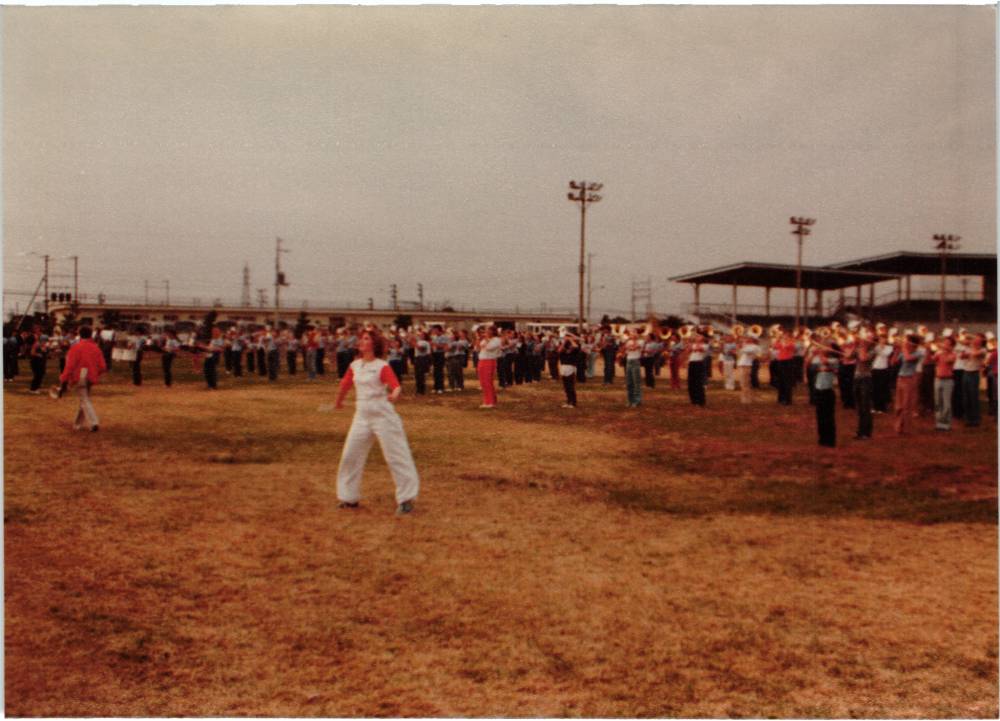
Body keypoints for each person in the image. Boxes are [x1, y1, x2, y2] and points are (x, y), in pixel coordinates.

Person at [334, 329, 419, 516]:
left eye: (366, 339)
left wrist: (394, 394)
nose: (361, 341)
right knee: (350, 456)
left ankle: (406, 500)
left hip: (383, 415)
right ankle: (348, 498)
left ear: (374, 344)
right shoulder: (355, 365)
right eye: (361, 338)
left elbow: (396, 386)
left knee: (396, 456)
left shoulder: (382, 366)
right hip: (361, 417)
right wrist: (338, 401)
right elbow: (345, 384)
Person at [55, 326, 107, 432]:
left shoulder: (75, 348)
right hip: (90, 376)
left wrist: (64, 379)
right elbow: (102, 366)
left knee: (84, 399)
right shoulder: (96, 348)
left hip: (80, 376)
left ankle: (94, 422)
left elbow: (69, 366)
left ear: (80, 334)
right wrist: (95, 373)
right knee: (84, 399)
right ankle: (77, 424)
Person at [893, 334, 924, 436]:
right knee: (899, 405)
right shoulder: (904, 351)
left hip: (909, 380)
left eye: (907, 341)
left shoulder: (918, 353)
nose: (905, 343)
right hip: (900, 378)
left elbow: (908, 358)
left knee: (907, 405)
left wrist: (903, 347)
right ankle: (898, 428)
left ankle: (906, 428)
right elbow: (894, 362)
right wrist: (896, 351)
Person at [850, 336, 875, 440]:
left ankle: (866, 433)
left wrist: (862, 348)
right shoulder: (858, 349)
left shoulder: (872, 352)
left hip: (866, 379)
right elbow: (848, 356)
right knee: (859, 407)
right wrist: (854, 346)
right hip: (857, 378)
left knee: (865, 406)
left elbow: (863, 358)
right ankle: (860, 431)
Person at [813, 345, 839, 448]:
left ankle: (830, 440)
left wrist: (820, 353)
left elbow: (825, 362)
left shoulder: (834, 361)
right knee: (820, 417)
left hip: (827, 391)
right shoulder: (819, 359)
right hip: (819, 390)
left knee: (828, 417)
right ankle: (822, 439)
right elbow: (811, 364)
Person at [960, 334, 987, 428]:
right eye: (975, 339)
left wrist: (970, 347)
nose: (974, 341)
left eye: (977, 340)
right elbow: (962, 356)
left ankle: (975, 419)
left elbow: (975, 354)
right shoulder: (969, 348)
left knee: (973, 397)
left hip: (974, 374)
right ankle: (968, 419)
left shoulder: (983, 350)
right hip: (966, 373)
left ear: (980, 342)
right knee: (966, 397)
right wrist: (968, 349)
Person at [931, 337, 957, 431]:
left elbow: (948, 360)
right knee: (938, 402)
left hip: (947, 380)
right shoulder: (939, 353)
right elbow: (932, 359)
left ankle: (946, 424)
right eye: (944, 343)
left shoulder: (953, 354)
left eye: (947, 344)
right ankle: (938, 422)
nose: (945, 345)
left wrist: (942, 351)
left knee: (946, 403)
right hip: (938, 379)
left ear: (952, 346)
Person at [476, 325, 501, 408]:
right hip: (482, 360)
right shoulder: (486, 339)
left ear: (493, 331)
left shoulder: (496, 340)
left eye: (487, 330)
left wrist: (486, 339)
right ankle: (488, 400)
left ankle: (490, 402)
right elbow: (478, 347)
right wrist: (478, 339)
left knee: (487, 382)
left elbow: (489, 347)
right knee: (483, 382)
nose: (485, 332)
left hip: (489, 361)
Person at [618, 330, 643, 408]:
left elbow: (634, 348)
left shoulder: (641, 341)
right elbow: (623, 351)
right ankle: (630, 400)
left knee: (636, 382)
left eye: (634, 333)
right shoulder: (628, 342)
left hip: (635, 361)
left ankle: (637, 400)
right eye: (631, 334)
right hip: (629, 361)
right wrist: (625, 343)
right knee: (629, 382)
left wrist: (633, 342)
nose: (632, 335)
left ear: (637, 334)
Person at [736, 335, 761, 404]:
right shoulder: (747, 346)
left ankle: (747, 399)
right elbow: (740, 351)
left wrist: (741, 345)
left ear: (752, 340)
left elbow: (747, 351)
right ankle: (746, 398)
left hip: (747, 365)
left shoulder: (755, 347)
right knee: (743, 383)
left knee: (745, 383)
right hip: (742, 365)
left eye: (748, 338)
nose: (746, 339)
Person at [558, 334, 581, 408]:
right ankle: (568, 401)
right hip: (564, 367)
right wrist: (565, 341)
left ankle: (573, 402)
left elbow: (576, 346)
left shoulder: (575, 350)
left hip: (571, 368)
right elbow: (559, 350)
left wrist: (571, 339)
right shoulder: (564, 350)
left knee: (571, 386)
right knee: (566, 387)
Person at [686, 333, 708, 407]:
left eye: (699, 337)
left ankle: (700, 401)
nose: (697, 337)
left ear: (702, 339)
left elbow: (699, 349)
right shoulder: (693, 344)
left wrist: (696, 343)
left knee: (698, 382)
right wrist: (689, 342)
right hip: (692, 363)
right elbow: (688, 351)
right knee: (691, 382)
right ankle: (693, 400)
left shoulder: (705, 345)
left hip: (698, 363)